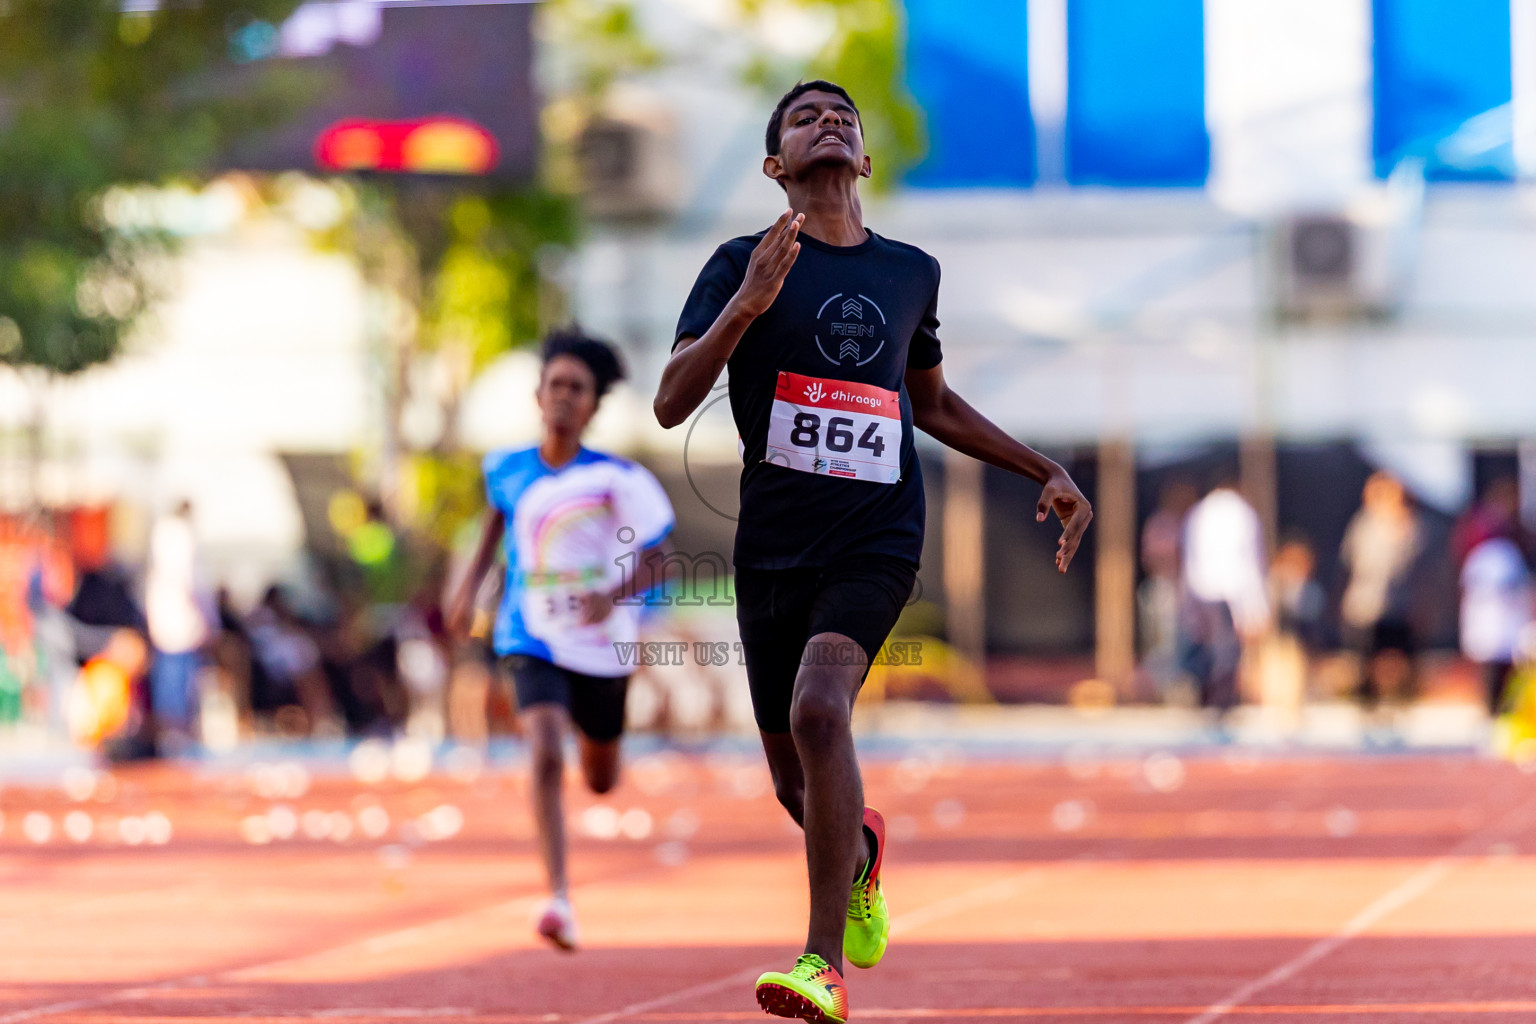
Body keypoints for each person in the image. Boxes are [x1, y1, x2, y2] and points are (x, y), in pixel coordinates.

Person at [654, 81, 1091, 1023]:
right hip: (773, 546)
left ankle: (820, 966)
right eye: (805, 117)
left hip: (877, 534)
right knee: (791, 779)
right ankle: (860, 852)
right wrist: (746, 306)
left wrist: (1042, 467)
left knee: (821, 710)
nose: (829, 121)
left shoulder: (910, 271)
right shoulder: (737, 262)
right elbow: (669, 401)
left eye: (843, 117)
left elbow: (931, 404)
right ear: (775, 165)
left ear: (862, 158)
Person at [448, 328, 674, 951]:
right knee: (545, 750)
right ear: (538, 395)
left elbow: (661, 560)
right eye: (556, 385)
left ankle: (600, 753)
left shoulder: (617, 479)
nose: (564, 397)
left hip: (600, 643)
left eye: (578, 389)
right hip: (529, 634)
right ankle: (558, 898)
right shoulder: (506, 468)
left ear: (594, 406)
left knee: (600, 779)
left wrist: (612, 595)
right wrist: (466, 593)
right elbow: (493, 531)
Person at [1180, 482, 1269, 712]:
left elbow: (1189, 557)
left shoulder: (1197, 512)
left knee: (1205, 647)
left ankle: (1205, 698)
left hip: (1201, 590)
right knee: (1226, 651)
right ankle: (1223, 701)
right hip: (1229, 592)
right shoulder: (1242, 513)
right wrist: (1255, 607)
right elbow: (1248, 562)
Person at [1339, 472, 1421, 707]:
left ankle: (1401, 700)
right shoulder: (1364, 524)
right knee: (1365, 658)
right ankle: (1367, 703)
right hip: (1366, 605)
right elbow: (1356, 562)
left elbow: (1411, 562)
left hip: (1398, 604)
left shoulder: (1408, 524)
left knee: (1402, 655)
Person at [145, 501, 209, 747]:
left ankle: (170, 729)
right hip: (179, 620)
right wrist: (205, 616)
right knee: (179, 679)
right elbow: (192, 581)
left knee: (169, 677)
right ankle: (176, 728)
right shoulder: (180, 536)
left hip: (167, 620)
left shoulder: (161, 535)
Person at [1460, 535, 1534, 714]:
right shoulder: (1498, 556)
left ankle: (1498, 709)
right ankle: (1494, 709)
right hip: (1495, 631)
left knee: (1503, 677)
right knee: (1493, 677)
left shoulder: (1496, 556)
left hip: (1501, 632)